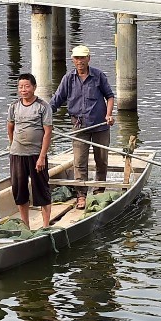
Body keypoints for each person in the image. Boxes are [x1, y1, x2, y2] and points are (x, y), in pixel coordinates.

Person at [49, 44, 115, 209]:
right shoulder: (68, 78)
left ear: (88, 59)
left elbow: (110, 96)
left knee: (101, 160)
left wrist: (108, 114)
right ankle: (81, 195)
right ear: (73, 60)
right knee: (79, 161)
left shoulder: (98, 76)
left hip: (100, 125)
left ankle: (99, 191)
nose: (79, 61)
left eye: (82, 58)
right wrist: (44, 115)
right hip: (79, 126)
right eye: (76, 58)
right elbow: (57, 100)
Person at [6, 73, 53, 229]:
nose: (23, 90)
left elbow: (47, 133)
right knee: (20, 191)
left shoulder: (43, 106)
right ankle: (26, 225)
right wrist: (13, 145)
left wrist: (42, 157)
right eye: (20, 87)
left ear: (34, 87)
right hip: (17, 154)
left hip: (36, 154)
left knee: (41, 189)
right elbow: (10, 127)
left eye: (27, 86)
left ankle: (46, 225)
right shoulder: (14, 106)